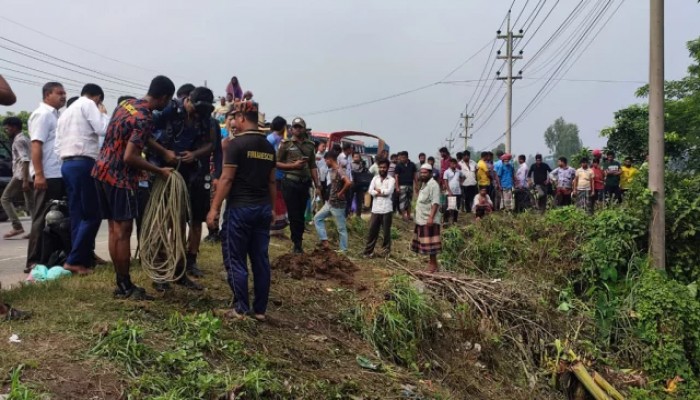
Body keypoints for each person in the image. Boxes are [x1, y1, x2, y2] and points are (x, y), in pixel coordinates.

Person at [92, 75, 176, 301]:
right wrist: (160, 171)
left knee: (113, 229)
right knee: (123, 232)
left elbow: (138, 136)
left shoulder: (127, 105)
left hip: (101, 171)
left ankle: (121, 283)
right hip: (120, 178)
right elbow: (130, 156)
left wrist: (162, 152)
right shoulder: (146, 117)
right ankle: (126, 286)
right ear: (165, 97)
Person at [206, 100, 275, 321]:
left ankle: (241, 308)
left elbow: (226, 179)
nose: (233, 122)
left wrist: (214, 209)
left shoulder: (237, 145)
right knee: (260, 259)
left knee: (235, 258)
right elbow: (272, 182)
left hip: (240, 209)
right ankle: (261, 310)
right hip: (263, 208)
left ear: (243, 118)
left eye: (235, 118)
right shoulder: (268, 147)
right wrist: (272, 209)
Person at [150, 86, 214, 287]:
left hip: (185, 174)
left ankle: (179, 270)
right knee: (162, 221)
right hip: (162, 171)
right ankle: (159, 271)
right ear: (187, 100)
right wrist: (163, 152)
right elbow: (144, 135)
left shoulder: (203, 118)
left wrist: (194, 155)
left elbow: (210, 144)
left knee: (178, 222)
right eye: (194, 110)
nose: (196, 115)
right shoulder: (168, 110)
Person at [55, 83, 110, 274]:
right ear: (97, 98)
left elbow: (57, 145)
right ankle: (75, 261)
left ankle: (79, 258)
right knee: (93, 214)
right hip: (83, 162)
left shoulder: (66, 113)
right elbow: (103, 129)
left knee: (78, 214)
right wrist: (102, 112)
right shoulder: (88, 104)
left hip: (67, 164)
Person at [25, 82, 67, 274]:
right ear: (47, 94)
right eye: (59, 93)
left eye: (65, 93)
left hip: (58, 173)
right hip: (47, 174)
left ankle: (51, 257)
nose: (64, 96)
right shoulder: (42, 115)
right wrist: (39, 174)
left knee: (57, 217)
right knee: (41, 218)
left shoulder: (56, 115)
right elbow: (36, 146)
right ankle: (33, 261)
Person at [277, 117, 321, 253]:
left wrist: (317, 184)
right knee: (293, 214)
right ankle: (296, 243)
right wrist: (292, 166)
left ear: (304, 128)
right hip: (290, 182)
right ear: (291, 129)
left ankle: (299, 241)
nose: (297, 129)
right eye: (295, 127)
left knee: (301, 214)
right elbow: (276, 163)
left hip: (304, 183)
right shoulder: (285, 144)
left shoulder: (310, 145)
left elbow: (313, 166)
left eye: (299, 127)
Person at [1, 117, 33, 239]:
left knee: (5, 199)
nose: (5, 129)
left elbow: (25, 160)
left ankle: (17, 226)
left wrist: (24, 180)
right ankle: (36, 230)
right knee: (31, 204)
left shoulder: (18, 141)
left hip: (21, 175)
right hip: (29, 174)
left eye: (7, 127)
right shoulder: (25, 138)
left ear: (14, 127)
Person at [313, 151, 352, 253]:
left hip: (338, 205)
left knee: (341, 228)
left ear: (329, 159)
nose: (325, 162)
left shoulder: (339, 170)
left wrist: (340, 193)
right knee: (317, 218)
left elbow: (348, 182)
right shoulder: (332, 170)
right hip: (330, 203)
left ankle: (343, 250)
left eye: (326, 160)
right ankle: (325, 242)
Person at [412, 164, 442, 273]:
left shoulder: (433, 185)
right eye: (421, 172)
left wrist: (430, 217)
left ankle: (433, 265)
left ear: (430, 173)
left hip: (429, 219)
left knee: (431, 243)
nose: (423, 174)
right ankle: (432, 263)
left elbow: (435, 203)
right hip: (422, 218)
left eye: (425, 173)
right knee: (426, 243)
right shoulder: (424, 184)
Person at [363, 159, 395, 258]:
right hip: (376, 209)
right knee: (372, 231)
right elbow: (370, 191)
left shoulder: (391, 180)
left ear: (387, 168)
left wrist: (378, 191)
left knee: (386, 232)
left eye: (384, 167)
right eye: (380, 167)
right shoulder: (375, 178)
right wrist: (379, 192)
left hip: (387, 209)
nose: (382, 169)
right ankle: (368, 252)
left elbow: (388, 192)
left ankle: (386, 253)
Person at [267, 116, 288, 235]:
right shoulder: (271, 139)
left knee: (279, 198)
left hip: (280, 174)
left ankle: (278, 227)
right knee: (274, 198)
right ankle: (273, 226)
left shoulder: (280, 139)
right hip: (274, 173)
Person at [394, 151, 417, 221]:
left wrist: (416, 185)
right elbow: (396, 177)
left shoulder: (412, 165)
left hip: (410, 185)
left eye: (403, 157)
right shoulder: (398, 165)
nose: (402, 159)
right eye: (401, 158)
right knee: (402, 201)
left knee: (409, 201)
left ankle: (409, 215)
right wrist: (397, 187)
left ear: (407, 157)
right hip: (402, 186)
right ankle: (404, 216)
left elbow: (415, 175)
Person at [442, 157, 465, 224]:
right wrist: (449, 191)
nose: (453, 165)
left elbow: (464, 177)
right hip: (450, 192)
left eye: (455, 163)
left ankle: (454, 221)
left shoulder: (458, 171)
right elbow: (445, 182)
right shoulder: (447, 172)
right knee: (449, 207)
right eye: (452, 163)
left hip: (457, 192)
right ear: (450, 164)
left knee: (456, 207)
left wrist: (461, 182)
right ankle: (446, 221)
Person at [349, 152, 369, 217]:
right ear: (353, 157)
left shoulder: (362, 164)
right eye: (355, 157)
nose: (356, 158)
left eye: (358, 157)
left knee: (359, 201)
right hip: (352, 185)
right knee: (350, 199)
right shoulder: (350, 164)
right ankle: (349, 215)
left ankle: (358, 216)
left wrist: (364, 167)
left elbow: (366, 174)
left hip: (360, 185)